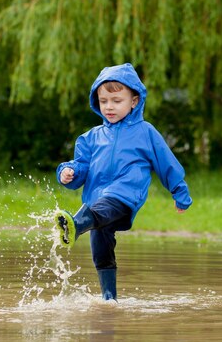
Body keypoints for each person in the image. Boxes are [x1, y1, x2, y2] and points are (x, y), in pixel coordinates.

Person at [55, 63, 192, 301]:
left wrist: (179, 191)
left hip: (125, 195)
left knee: (104, 207)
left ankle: (75, 225)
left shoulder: (145, 132)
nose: (109, 106)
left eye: (116, 101)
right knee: (101, 249)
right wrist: (68, 173)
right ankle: (109, 300)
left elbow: (166, 163)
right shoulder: (91, 138)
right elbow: (81, 169)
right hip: (95, 203)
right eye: (103, 100)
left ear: (134, 101)